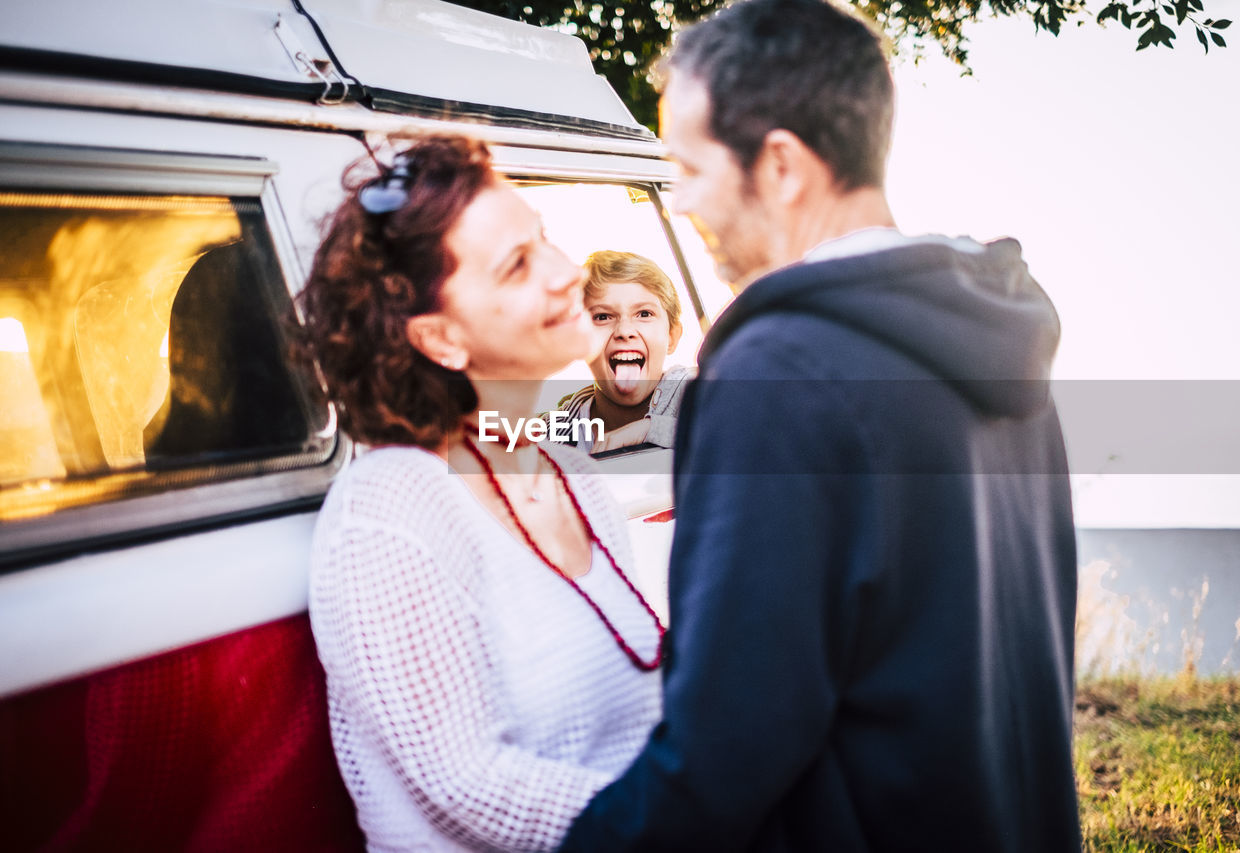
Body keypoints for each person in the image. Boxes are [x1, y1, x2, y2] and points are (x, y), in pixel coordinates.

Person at [559, 1, 1081, 851]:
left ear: (781, 166)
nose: (680, 198)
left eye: (689, 167)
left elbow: (727, 745)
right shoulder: (992, 334)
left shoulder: (779, 370)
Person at [298, 135, 665, 852]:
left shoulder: (569, 472)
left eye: (545, 238)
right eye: (518, 265)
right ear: (441, 338)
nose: (566, 273)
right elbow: (472, 781)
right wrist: (693, 817)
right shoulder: (388, 512)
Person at [556, 250, 694, 453]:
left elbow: (740, 427)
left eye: (644, 314)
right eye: (602, 317)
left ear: (672, 336)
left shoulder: (697, 391)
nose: (625, 331)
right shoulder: (558, 427)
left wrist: (650, 431)